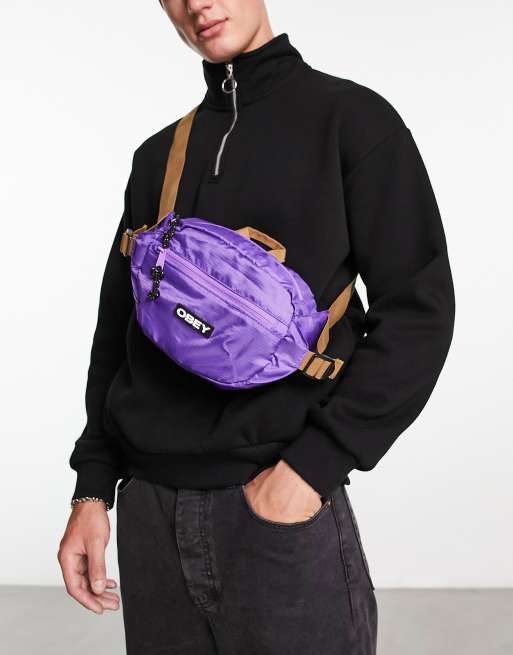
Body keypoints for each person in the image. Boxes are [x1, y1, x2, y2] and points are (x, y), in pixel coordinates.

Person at [57, 1, 455, 653]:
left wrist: (311, 469)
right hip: (150, 514)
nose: (197, 4)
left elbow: (419, 311)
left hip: (276, 509)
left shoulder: (352, 122)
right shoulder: (159, 157)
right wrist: (93, 487)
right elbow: (117, 333)